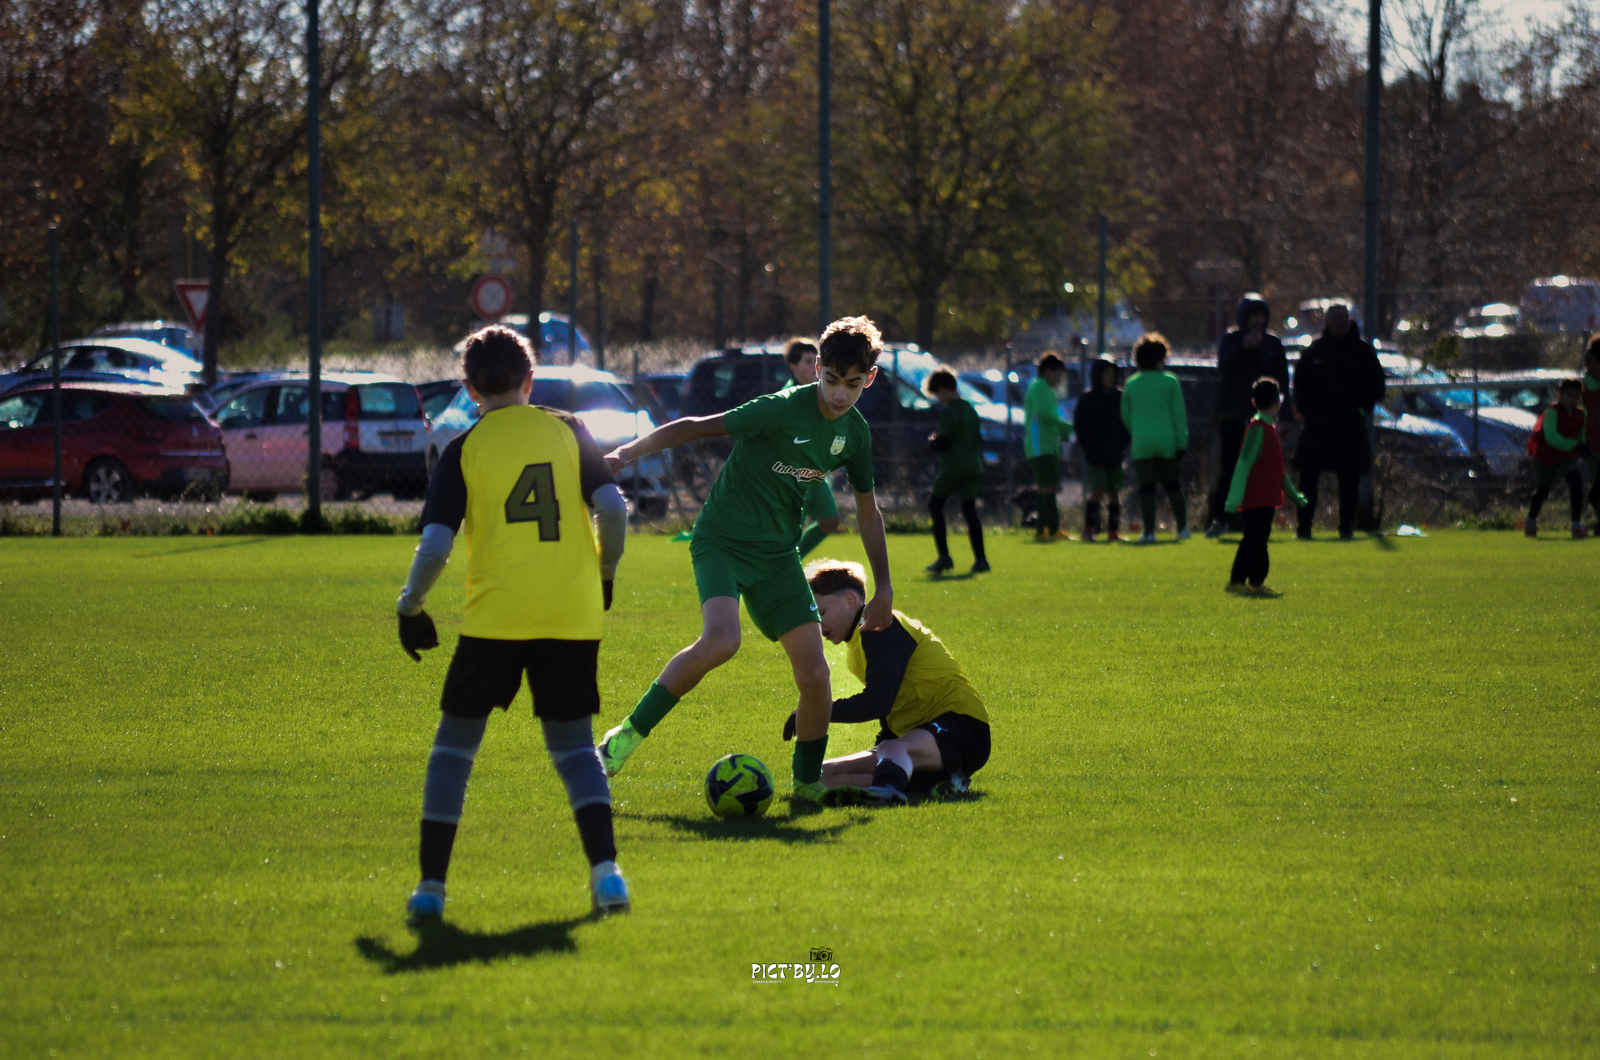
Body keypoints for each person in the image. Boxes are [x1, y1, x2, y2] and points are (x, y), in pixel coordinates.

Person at [597, 317, 895, 804]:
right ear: (817, 368)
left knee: (816, 675)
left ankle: (807, 785)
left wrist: (884, 586)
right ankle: (622, 738)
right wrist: (625, 453)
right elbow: (696, 427)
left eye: (853, 384)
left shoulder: (855, 435)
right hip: (721, 540)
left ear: (871, 378)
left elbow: (868, 512)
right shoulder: (779, 409)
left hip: (777, 556)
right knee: (722, 641)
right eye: (831, 380)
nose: (841, 394)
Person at [394, 325, 632, 923]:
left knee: (453, 752)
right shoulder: (568, 428)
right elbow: (611, 506)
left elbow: (435, 545)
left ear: (470, 388)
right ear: (530, 380)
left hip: (495, 619)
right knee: (575, 750)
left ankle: (431, 889)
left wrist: (410, 606)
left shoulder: (463, 448)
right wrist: (604, 572)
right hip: (570, 613)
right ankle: (608, 877)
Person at [781, 560, 989, 808]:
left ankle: (887, 792)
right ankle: (933, 784)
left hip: (961, 726)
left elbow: (878, 702)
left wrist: (814, 711)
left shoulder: (880, 625)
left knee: (892, 749)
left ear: (850, 600)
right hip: (912, 737)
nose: (818, 624)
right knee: (820, 776)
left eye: (822, 613)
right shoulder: (856, 646)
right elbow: (893, 706)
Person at [1291, 304, 1384, 540]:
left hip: (1350, 427)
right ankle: (1303, 529)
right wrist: (1307, 412)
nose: (1342, 321)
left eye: (1345, 317)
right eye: (1337, 317)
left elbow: (1376, 386)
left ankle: (1346, 529)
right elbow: (1299, 386)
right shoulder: (1314, 351)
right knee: (1308, 478)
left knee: (1349, 479)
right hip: (1317, 427)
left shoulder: (1362, 352)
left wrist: (1361, 409)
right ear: (1326, 322)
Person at [1206, 295, 1292, 538]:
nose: (1258, 321)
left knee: (1263, 469)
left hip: (1263, 419)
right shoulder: (1232, 340)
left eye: (1261, 316)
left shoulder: (1273, 344)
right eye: (1253, 316)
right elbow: (1223, 367)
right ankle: (1221, 519)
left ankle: (1258, 521)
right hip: (1234, 415)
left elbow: (1283, 381)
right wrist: (1242, 347)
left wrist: (1285, 414)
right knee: (1231, 467)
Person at [1224, 378, 1307, 596]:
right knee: (1254, 540)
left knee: (1259, 541)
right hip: (1256, 498)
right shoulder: (1258, 430)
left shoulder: (1268, 429)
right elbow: (1244, 464)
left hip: (1266, 498)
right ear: (1277, 403)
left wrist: (1294, 495)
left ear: (1254, 402)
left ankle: (1255, 583)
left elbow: (1278, 471)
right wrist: (1234, 498)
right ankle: (1237, 581)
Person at [1120, 333, 1190, 543]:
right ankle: (1182, 528)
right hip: (1167, 441)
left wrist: (1137, 431)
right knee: (1172, 486)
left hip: (1142, 442)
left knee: (1146, 488)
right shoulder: (1170, 381)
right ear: (1161, 357)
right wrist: (1181, 442)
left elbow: (1125, 415)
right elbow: (1179, 416)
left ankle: (1149, 532)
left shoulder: (1131, 384)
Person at [924, 366, 989, 574]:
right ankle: (981, 560)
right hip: (973, 466)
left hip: (953, 468)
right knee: (970, 512)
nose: (938, 400)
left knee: (935, 506)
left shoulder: (948, 411)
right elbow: (978, 438)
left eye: (937, 395)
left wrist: (932, 442)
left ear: (943, 390)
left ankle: (944, 557)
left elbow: (944, 443)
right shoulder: (970, 408)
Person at [780, 337, 841, 558]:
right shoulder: (788, 398)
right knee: (790, 529)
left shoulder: (822, 394)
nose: (815, 367)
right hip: (793, 473)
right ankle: (782, 567)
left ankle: (793, 560)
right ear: (792, 366)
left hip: (815, 472)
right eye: (807, 362)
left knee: (829, 520)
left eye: (818, 361)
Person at [1072, 357, 1130, 542]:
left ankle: (1113, 531)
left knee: (1114, 491)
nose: (1110, 377)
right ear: (1097, 374)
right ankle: (1088, 529)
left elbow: (1127, 423)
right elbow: (1080, 426)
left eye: (1112, 373)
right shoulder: (1088, 398)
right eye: (1106, 373)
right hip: (1095, 455)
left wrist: (1123, 443)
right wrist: (1089, 446)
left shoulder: (1119, 397)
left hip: (1115, 454)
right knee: (1098, 488)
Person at [1525, 378, 1588, 539]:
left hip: (1567, 455)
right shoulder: (1552, 413)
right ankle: (1530, 519)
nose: (1573, 400)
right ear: (1559, 396)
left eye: (1577, 396)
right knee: (1542, 492)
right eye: (1569, 395)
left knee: (1576, 484)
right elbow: (1551, 438)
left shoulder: (1581, 414)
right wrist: (1575, 446)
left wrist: (1583, 447)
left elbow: (1580, 436)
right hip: (1546, 456)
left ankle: (1576, 525)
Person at [1023, 353, 1071, 539]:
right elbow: (1043, 415)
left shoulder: (1046, 389)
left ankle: (1042, 530)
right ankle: (1052, 529)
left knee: (1045, 487)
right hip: (1040, 446)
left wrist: (1062, 431)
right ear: (1048, 371)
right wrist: (1066, 426)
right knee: (1049, 487)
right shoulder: (1040, 386)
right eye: (1058, 374)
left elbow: (1050, 418)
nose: (1059, 379)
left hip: (1047, 446)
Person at [1582, 338, 1600, 529]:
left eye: (1589, 361)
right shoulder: (1586, 386)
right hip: (1593, 445)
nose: (1585, 366)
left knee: (1595, 491)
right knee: (1594, 491)